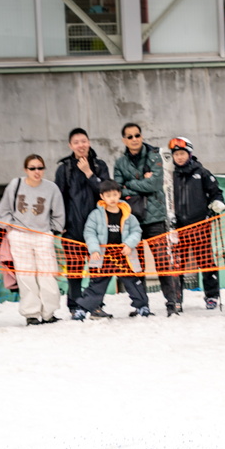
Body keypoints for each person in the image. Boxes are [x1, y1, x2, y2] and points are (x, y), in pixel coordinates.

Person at [114, 123, 179, 314]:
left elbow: (155, 183)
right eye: (130, 136)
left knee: (162, 261)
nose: (134, 139)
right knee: (136, 264)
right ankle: (141, 305)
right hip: (132, 220)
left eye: (137, 135)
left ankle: (172, 303)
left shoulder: (154, 155)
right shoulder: (119, 162)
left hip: (155, 218)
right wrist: (143, 182)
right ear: (124, 140)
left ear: (141, 136)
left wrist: (130, 184)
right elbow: (117, 190)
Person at [0, 153, 66, 325]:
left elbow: (59, 215)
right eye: (32, 168)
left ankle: (49, 313)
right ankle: (31, 314)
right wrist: (12, 227)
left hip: (42, 235)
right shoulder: (15, 184)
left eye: (40, 168)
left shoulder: (51, 188)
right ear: (25, 169)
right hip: (19, 236)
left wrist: (50, 229)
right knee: (26, 276)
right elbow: (1, 212)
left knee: (48, 275)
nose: (37, 171)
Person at [55, 128, 111, 317]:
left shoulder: (99, 165)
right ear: (71, 146)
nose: (81, 145)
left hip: (97, 228)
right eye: (76, 142)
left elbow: (106, 192)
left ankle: (94, 304)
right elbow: (59, 197)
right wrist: (60, 223)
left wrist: (88, 172)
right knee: (74, 270)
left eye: (84, 141)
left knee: (98, 270)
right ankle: (74, 306)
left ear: (89, 142)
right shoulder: (64, 168)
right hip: (72, 227)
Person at [168, 137, 225, 313]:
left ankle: (211, 295)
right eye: (176, 154)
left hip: (200, 225)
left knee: (206, 260)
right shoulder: (169, 175)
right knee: (177, 264)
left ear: (189, 154)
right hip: (177, 227)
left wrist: (217, 204)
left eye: (182, 153)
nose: (179, 157)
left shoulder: (201, 173)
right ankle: (176, 298)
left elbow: (216, 192)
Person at [78, 179, 145, 321]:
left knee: (132, 281)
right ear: (102, 197)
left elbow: (136, 231)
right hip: (104, 256)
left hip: (123, 255)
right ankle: (84, 308)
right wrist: (94, 249)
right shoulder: (95, 215)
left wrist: (129, 244)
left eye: (115, 195)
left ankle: (142, 306)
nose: (112, 199)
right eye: (108, 196)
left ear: (119, 194)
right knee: (97, 283)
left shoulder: (128, 215)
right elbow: (89, 233)